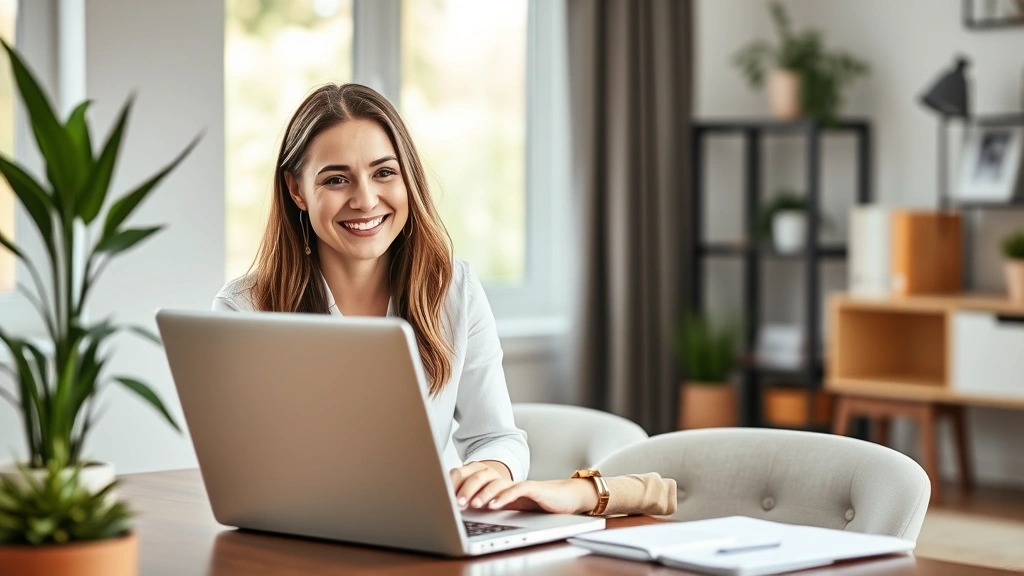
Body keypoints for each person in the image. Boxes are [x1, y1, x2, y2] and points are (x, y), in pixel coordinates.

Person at [213, 83, 528, 509]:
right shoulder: (244, 309)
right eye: (337, 179)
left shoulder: (454, 290)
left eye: (384, 172)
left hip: (426, 535)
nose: (365, 199)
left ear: (408, 178)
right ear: (297, 190)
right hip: (302, 534)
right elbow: (243, 466)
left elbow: (496, 437)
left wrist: (487, 473)